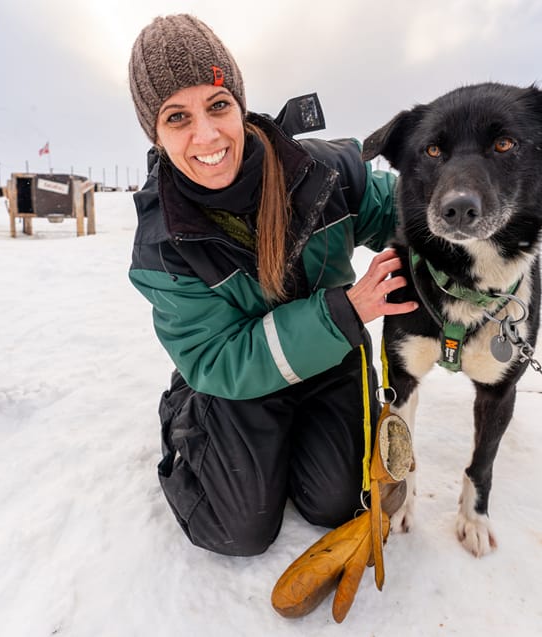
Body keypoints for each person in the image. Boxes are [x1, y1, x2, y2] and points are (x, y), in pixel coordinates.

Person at [127, 14, 416, 557]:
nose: (207, 135)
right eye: (177, 117)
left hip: (331, 361)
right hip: (240, 377)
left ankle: (302, 438)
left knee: (338, 503)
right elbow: (217, 357)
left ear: (240, 104)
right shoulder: (162, 245)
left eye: (218, 105)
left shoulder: (325, 172)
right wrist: (345, 312)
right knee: (237, 530)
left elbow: (412, 214)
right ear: (156, 133)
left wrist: (469, 229)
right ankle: (185, 415)